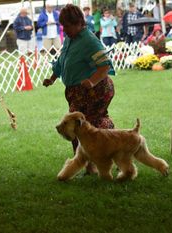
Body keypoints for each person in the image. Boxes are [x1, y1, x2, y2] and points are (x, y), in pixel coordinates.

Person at [42, 4, 115, 174]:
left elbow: (105, 66)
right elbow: (62, 61)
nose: (64, 29)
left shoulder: (89, 40)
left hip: (95, 90)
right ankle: (92, 162)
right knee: (81, 127)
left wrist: (91, 81)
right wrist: (52, 78)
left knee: (82, 126)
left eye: (67, 26)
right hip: (77, 92)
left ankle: (97, 160)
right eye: (63, 26)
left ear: (79, 23)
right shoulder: (70, 39)